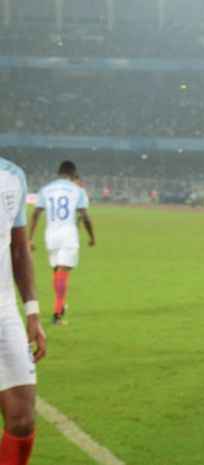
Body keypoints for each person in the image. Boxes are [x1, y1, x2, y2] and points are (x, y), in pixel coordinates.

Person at [0, 157, 47, 465]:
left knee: (21, 419)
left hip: (3, 311)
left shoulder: (12, 176)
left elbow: (19, 248)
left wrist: (32, 311)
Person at [28, 160, 95, 325]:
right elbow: (85, 216)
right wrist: (92, 236)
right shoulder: (77, 189)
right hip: (68, 235)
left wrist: (30, 238)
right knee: (63, 273)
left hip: (50, 235)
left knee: (57, 271)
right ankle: (57, 314)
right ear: (73, 174)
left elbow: (36, 214)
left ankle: (60, 305)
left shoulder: (46, 189)